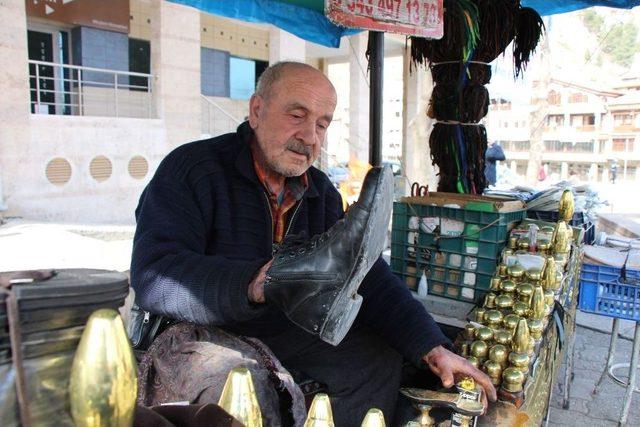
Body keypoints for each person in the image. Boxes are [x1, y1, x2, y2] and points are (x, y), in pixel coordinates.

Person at [130, 61, 496, 425]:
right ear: (257, 110)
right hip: (200, 329)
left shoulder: (319, 190)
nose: (310, 137)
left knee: (379, 360)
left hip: (282, 328)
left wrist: (431, 348)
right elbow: (155, 274)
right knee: (242, 388)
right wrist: (256, 283)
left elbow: (365, 274)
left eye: (322, 124)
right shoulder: (192, 169)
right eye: (297, 115)